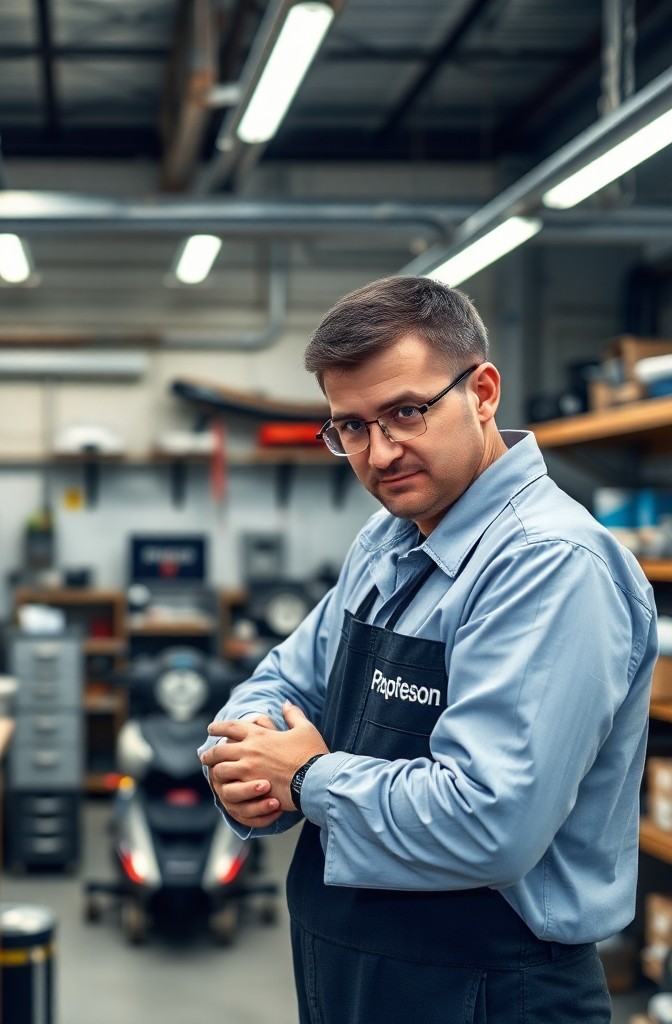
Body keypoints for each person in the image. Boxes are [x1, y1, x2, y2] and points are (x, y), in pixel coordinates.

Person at [198, 275, 658, 1023]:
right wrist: (247, 768)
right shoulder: (388, 541)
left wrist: (309, 779)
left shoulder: (547, 564)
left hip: (488, 988)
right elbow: (284, 681)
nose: (378, 454)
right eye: (350, 427)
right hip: (356, 968)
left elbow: (491, 821)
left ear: (482, 392)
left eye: (405, 412)